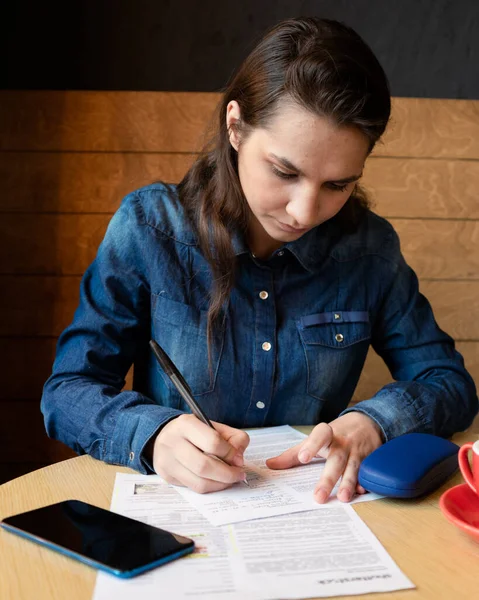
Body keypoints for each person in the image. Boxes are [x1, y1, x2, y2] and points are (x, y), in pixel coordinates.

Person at [41, 16, 478, 504]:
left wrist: (373, 422)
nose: (305, 211)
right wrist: (154, 435)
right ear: (235, 127)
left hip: (316, 513)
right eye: (284, 171)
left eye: (338, 184)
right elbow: (68, 391)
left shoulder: (369, 250)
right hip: (180, 515)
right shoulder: (149, 230)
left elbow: (449, 383)